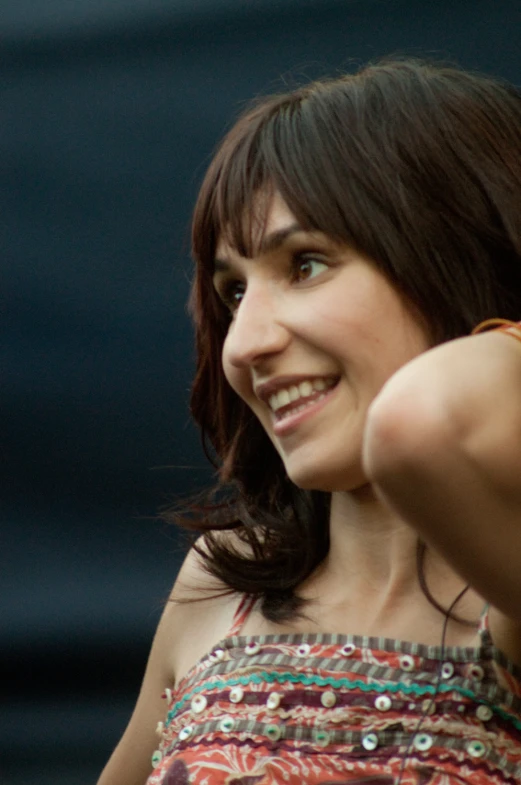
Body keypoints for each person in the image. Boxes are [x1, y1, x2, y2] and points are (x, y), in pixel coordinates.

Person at [97, 59, 521, 785]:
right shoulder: (220, 581)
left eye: (306, 264)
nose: (243, 342)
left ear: (450, 256)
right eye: (231, 292)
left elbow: (420, 425)